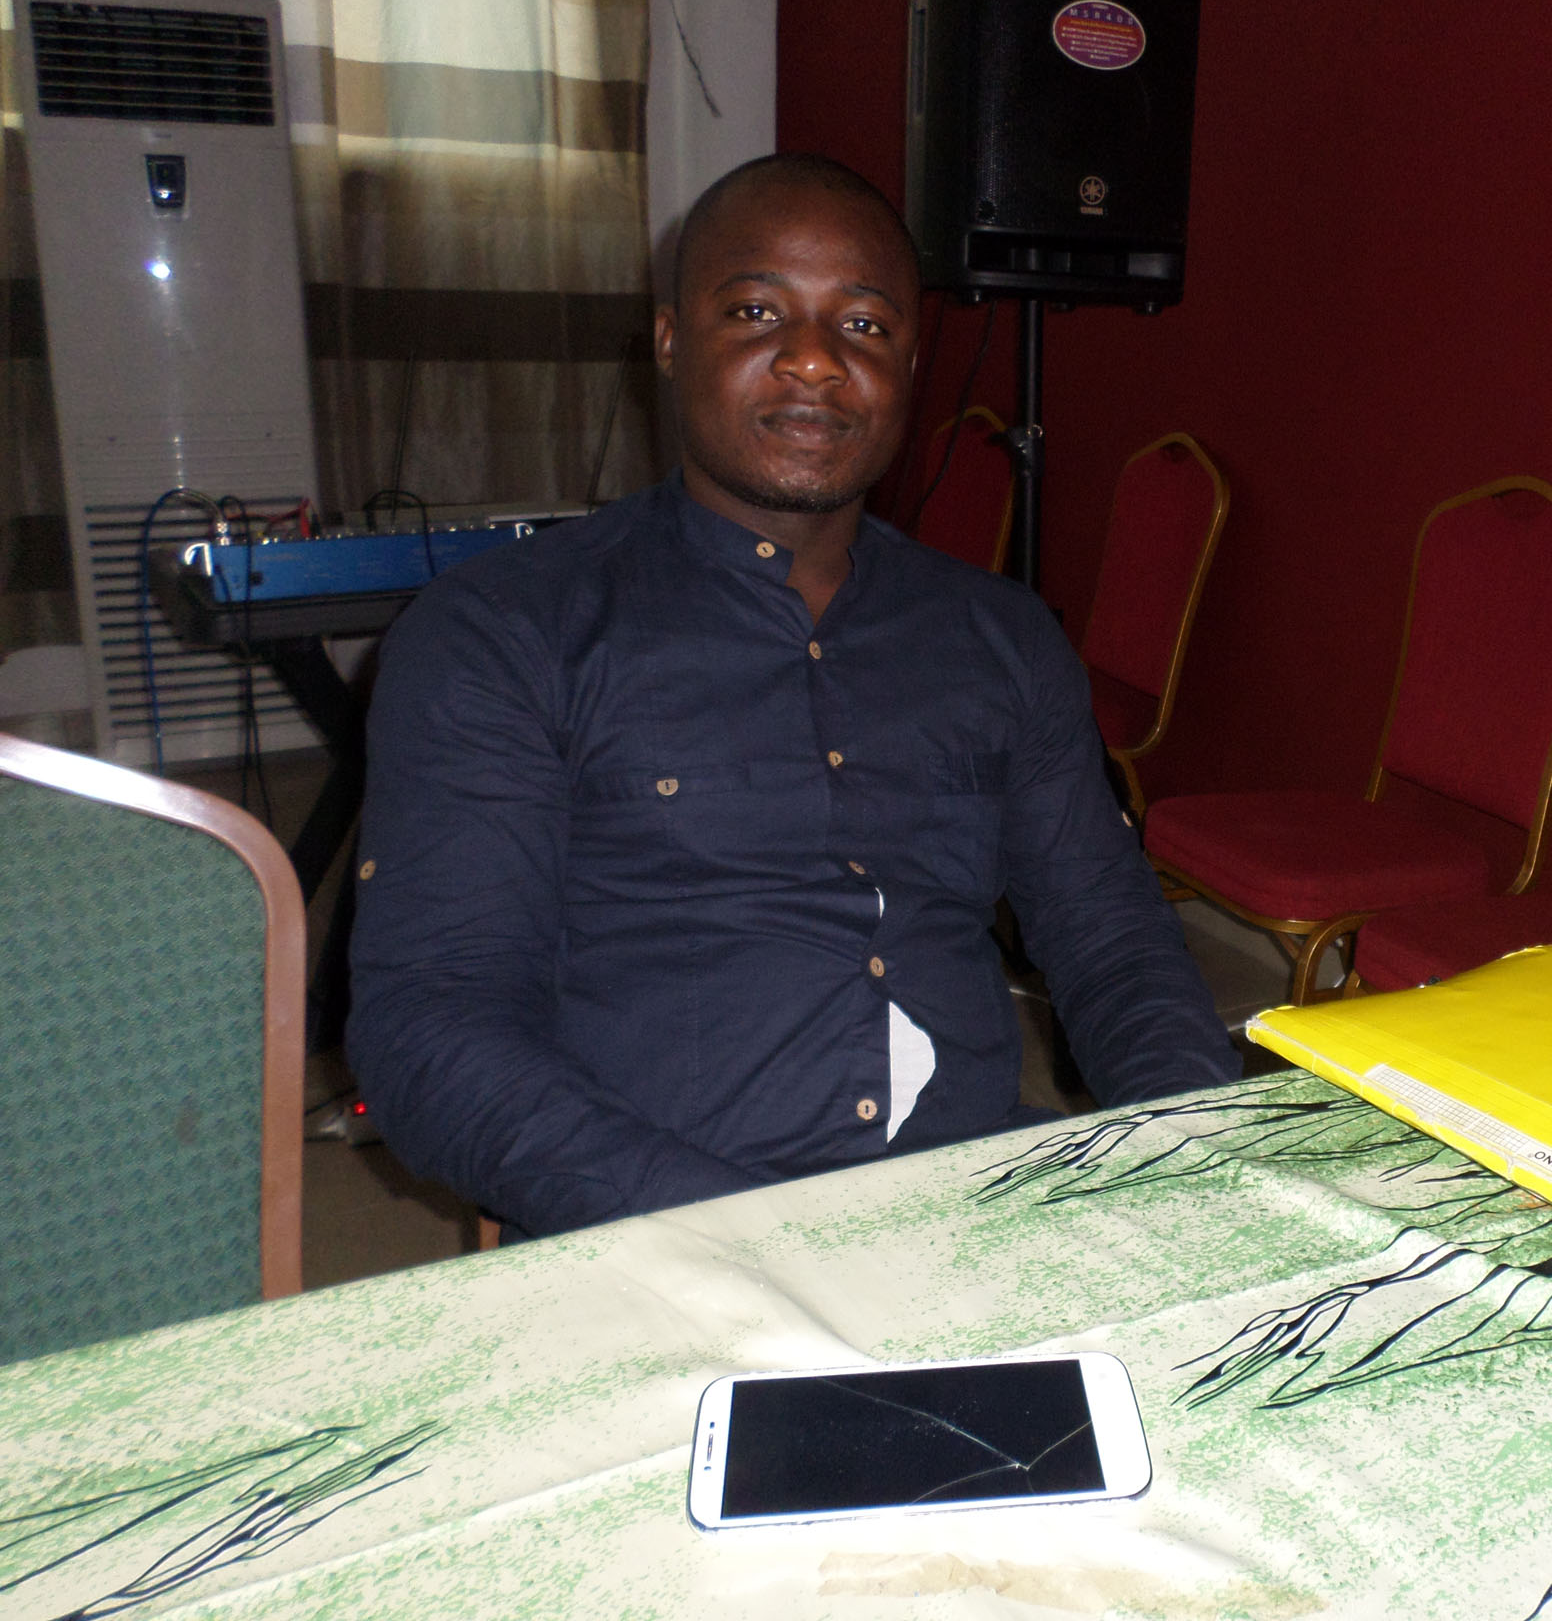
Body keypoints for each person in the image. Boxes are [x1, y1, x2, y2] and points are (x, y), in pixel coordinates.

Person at [347, 154, 1236, 1238]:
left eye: (863, 325)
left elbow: (1113, 944)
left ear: (910, 364)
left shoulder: (1001, 636)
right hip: (660, 1228)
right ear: (670, 340)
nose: (815, 358)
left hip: (974, 1201)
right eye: (757, 311)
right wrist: (768, 1248)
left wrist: (1202, 1156)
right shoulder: (502, 633)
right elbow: (432, 1026)